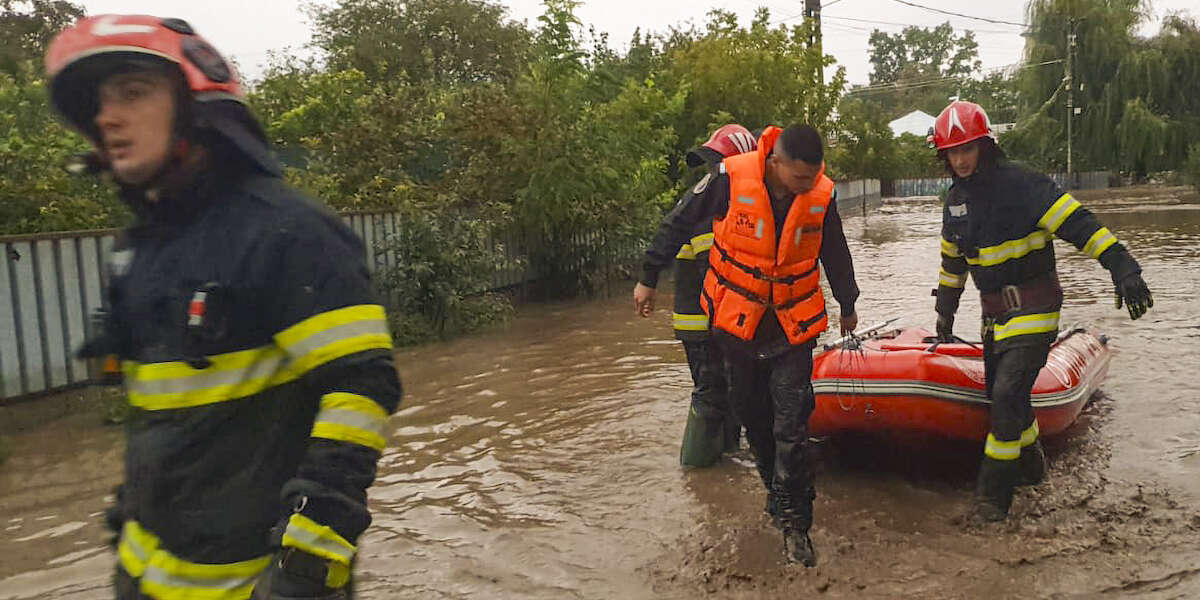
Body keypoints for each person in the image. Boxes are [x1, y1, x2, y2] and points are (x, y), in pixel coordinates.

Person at [46, 15, 402, 599]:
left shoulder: (287, 233)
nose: (108, 117)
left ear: (196, 103)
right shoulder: (139, 249)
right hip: (149, 578)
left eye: (133, 93)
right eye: (99, 101)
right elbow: (165, 420)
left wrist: (307, 563)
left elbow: (363, 388)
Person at [635, 125, 860, 566]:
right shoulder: (726, 180)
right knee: (755, 422)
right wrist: (648, 277)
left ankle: (797, 527)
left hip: (792, 329)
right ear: (774, 162)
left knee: (792, 426)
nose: (806, 187)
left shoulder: (821, 194)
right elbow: (677, 221)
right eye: (798, 179)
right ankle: (778, 500)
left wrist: (848, 302)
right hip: (738, 327)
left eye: (812, 179)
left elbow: (835, 249)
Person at [930, 100, 1152, 522]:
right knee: (1007, 402)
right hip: (994, 317)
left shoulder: (1024, 186)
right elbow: (952, 265)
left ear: (986, 146)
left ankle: (991, 503)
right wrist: (944, 315)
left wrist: (1122, 265)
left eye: (967, 149)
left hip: (1036, 307)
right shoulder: (955, 203)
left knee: (1008, 394)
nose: (960, 160)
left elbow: (1079, 224)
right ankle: (1033, 471)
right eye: (952, 152)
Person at [636, 124, 756, 468]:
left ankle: (727, 457)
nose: (712, 171)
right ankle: (697, 471)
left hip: (716, 319)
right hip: (704, 320)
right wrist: (648, 278)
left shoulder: (722, 204)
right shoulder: (709, 205)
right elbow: (678, 237)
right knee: (711, 391)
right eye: (710, 164)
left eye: (717, 162)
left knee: (729, 391)